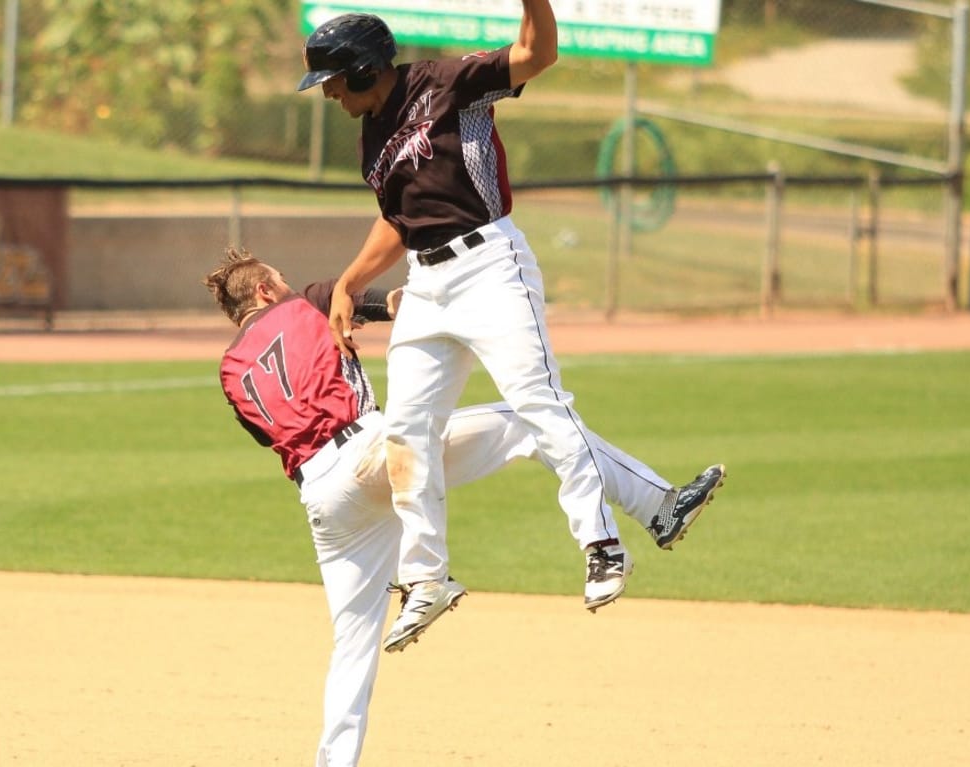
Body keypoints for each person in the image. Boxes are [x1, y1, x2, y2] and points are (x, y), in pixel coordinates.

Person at [295, 7, 726, 635]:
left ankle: (601, 544)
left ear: (364, 67)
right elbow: (399, 216)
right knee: (408, 432)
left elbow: (536, 54)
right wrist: (352, 281)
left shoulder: (448, 81)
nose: (328, 92)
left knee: (539, 404)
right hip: (427, 281)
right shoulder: (371, 131)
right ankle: (426, 578)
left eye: (333, 78)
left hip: (489, 265)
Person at [205, 249, 722, 767]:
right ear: (266, 291)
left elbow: (266, 432)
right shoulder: (312, 302)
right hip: (373, 451)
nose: (290, 286)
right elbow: (383, 303)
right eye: (281, 279)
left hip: (322, 496)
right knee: (529, 421)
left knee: (352, 645)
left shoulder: (231, 369)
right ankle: (658, 506)